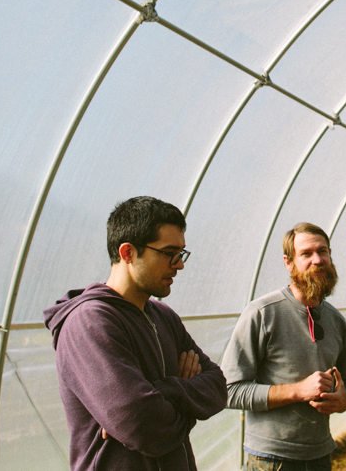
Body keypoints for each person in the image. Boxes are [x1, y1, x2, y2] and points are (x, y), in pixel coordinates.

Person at [43, 196, 226, 471]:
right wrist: (190, 405)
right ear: (127, 253)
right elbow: (143, 427)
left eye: (181, 253)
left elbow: (218, 387)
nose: (179, 264)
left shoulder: (164, 316)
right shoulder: (89, 322)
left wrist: (163, 391)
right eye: (169, 253)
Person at [221, 222, 346, 471]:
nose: (318, 260)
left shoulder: (337, 321)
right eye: (306, 254)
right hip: (271, 459)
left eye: (322, 251)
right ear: (288, 263)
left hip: (321, 455)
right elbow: (229, 390)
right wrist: (298, 391)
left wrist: (343, 401)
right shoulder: (262, 313)